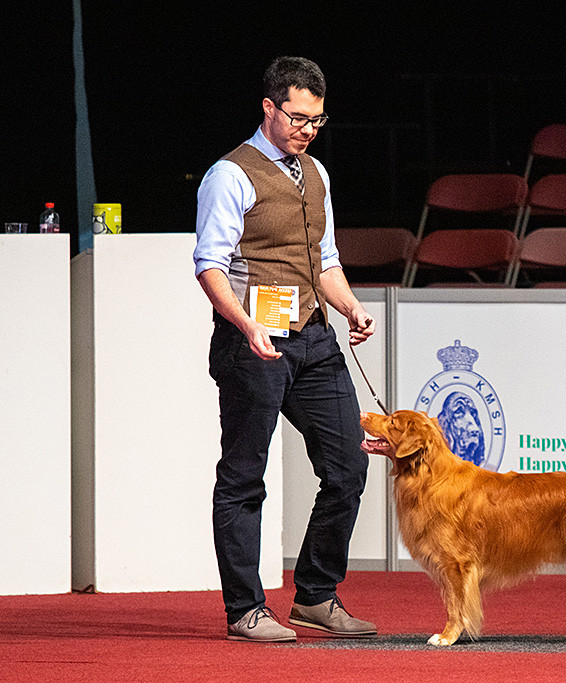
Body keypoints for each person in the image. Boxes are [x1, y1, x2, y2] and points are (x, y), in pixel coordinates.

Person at [193, 56, 377, 642]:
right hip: (255, 341)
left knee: (348, 465)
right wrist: (246, 324)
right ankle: (245, 609)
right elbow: (210, 264)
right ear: (269, 108)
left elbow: (324, 261)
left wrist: (351, 306)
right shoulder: (231, 174)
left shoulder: (316, 173)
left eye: (317, 121)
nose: (307, 130)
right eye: (298, 118)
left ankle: (316, 597)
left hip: (315, 338)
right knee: (245, 478)